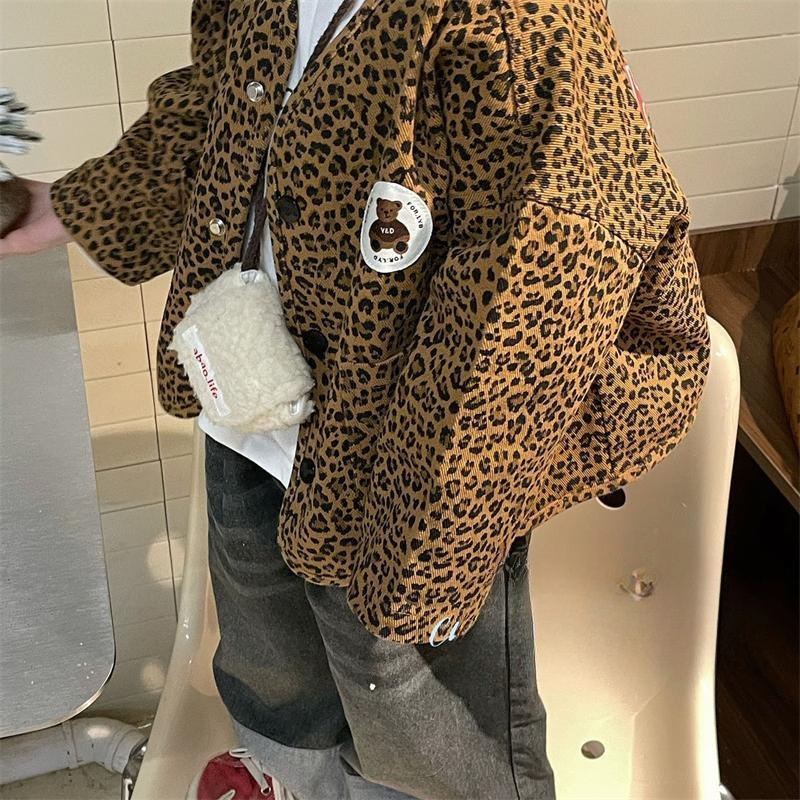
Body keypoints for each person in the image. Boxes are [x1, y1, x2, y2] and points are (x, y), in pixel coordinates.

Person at [0, 1, 711, 798]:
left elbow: (537, 285)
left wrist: (429, 545)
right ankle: (293, 783)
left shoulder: (517, 23)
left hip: (405, 472)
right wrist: (74, 204)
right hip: (251, 407)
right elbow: (221, 97)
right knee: (271, 675)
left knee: (422, 724)